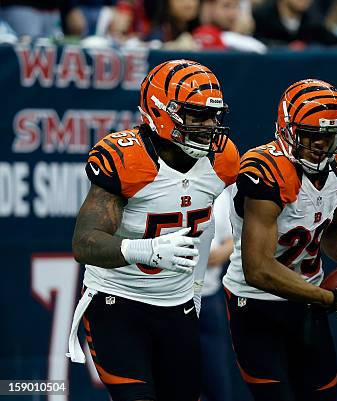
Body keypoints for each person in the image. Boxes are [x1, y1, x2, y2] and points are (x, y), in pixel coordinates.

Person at [67, 59, 240, 401]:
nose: (208, 126)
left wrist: (195, 286)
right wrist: (144, 249)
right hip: (119, 304)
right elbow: (84, 243)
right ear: (161, 112)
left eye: (212, 116)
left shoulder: (221, 160)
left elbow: (202, 223)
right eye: (196, 115)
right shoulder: (128, 158)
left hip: (178, 309)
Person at [222, 78, 337, 401]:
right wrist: (334, 299)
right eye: (312, 137)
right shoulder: (266, 169)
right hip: (256, 306)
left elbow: (330, 229)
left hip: (308, 306)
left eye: (329, 137)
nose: (322, 147)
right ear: (288, 131)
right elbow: (258, 269)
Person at [199, 187, 235, 401]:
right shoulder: (164, 186)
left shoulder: (220, 192)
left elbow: (232, 238)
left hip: (209, 298)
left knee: (218, 387)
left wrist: (217, 254)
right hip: (171, 300)